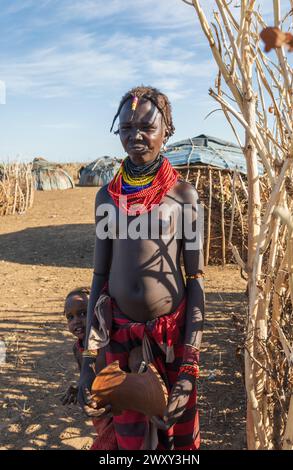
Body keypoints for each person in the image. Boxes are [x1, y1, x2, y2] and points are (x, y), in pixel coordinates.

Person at [78, 86, 205, 450]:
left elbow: (195, 279)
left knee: (177, 439)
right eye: (126, 127)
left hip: (172, 337)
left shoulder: (183, 197)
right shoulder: (107, 197)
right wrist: (89, 357)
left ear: (168, 131)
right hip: (120, 338)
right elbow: (100, 277)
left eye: (147, 127)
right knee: (129, 437)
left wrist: (189, 368)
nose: (136, 135)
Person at [62, 287, 117, 450]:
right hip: (99, 413)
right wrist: (77, 388)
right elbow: (87, 377)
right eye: (70, 317)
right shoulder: (77, 349)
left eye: (83, 314)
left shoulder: (109, 345)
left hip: (118, 412)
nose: (76, 321)